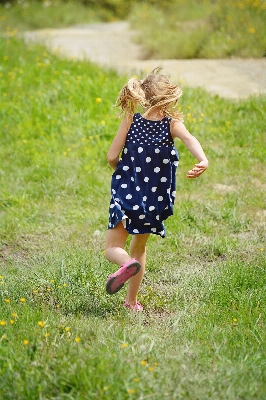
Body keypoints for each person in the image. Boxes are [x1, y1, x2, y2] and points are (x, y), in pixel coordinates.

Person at [105, 68, 208, 311]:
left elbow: (111, 156)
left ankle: (125, 264)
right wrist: (203, 160)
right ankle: (131, 302)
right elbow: (191, 139)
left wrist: (122, 170)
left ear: (143, 97)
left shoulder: (130, 121)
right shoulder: (172, 125)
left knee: (112, 248)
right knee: (139, 248)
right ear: (169, 99)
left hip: (125, 193)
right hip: (153, 201)